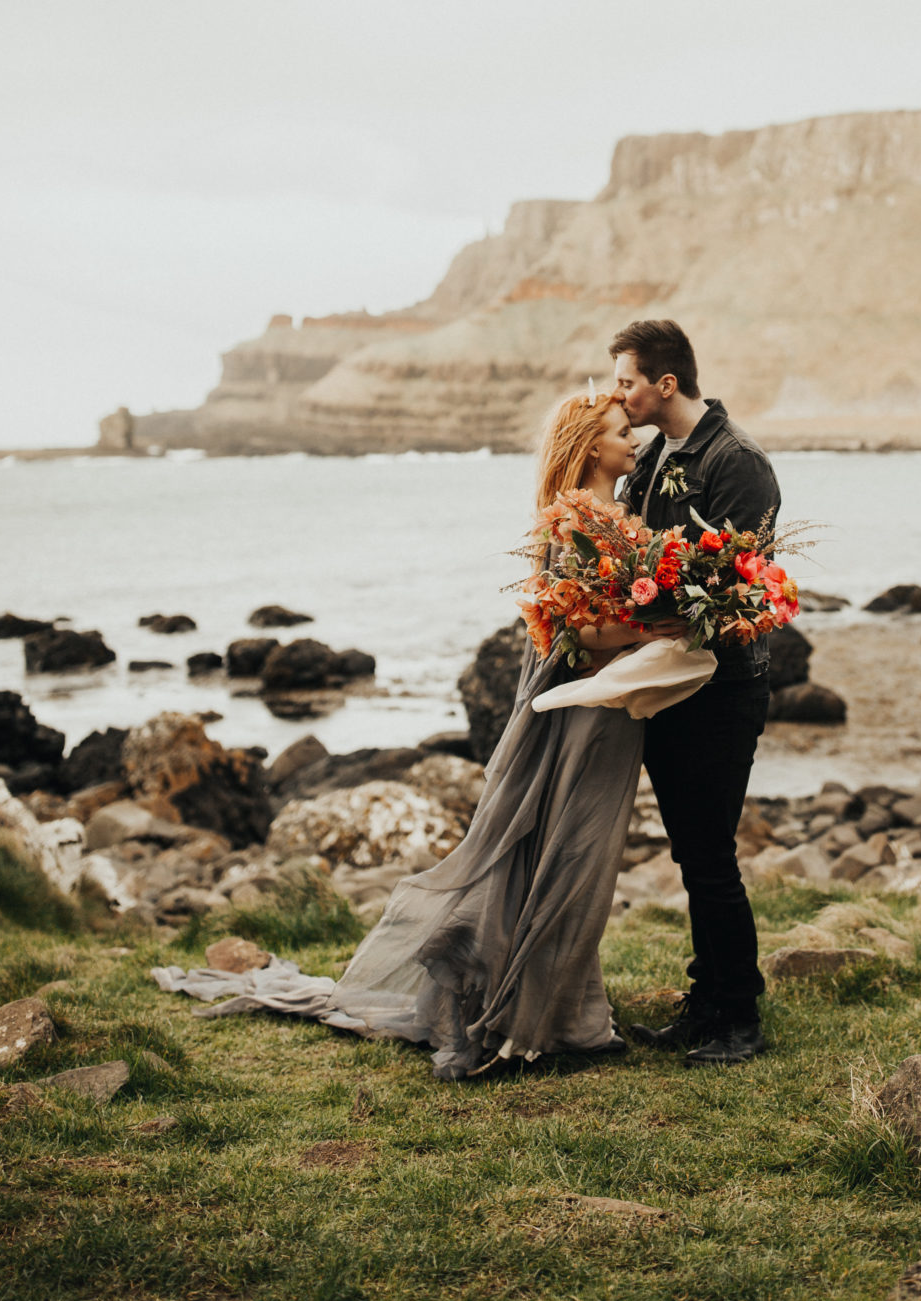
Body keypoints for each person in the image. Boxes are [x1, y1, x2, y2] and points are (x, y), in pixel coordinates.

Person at [154, 390, 651, 1081]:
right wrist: (672, 626)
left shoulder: (622, 518)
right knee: (565, 853)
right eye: (623, 431)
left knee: (582, 858)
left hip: (613, 712)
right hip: (578, 715)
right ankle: (521, 1009)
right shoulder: (571, 525)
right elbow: (585, 634)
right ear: (590, 446)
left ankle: (566, 1010)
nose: (635, 440)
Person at [611, 318, 780, 1065]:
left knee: (709, 854)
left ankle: (739, 1018)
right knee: (689, 852)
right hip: (665, 683)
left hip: (720, 686)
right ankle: (703, 1002)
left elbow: (743, 583)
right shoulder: (650, 457)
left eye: (626, 380)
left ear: (665, 383)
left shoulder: (735, 460)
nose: (618, 395)